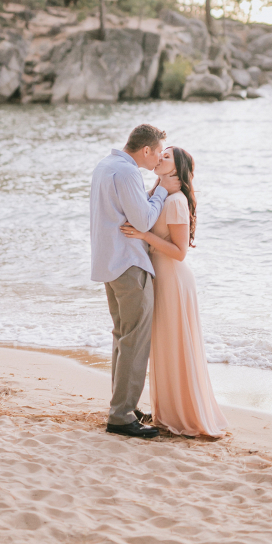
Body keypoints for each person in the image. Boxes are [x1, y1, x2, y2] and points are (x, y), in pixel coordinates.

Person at [121, 146, 228, 438]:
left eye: (165, 157)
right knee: (164, 345)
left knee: (176, 345)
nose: (159, 159)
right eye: (160, 154)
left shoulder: (177, 202)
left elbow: (180, 253)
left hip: (173, 279)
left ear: (177, 170)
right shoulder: (161, 196)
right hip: (160, 277)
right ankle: (166, 412)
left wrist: (144, 235)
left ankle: (184, 414)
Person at [90, 124, 181, 439]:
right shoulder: (128, 173)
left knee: (122, 336)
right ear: (146, 150)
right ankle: (121, 415)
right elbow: (143, 221)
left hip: (108, 261)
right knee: (135, 339)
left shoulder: (105, 165)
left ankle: (123, 406)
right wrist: (158, 194)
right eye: (158, 153)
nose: (158, 160)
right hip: (128, 262)